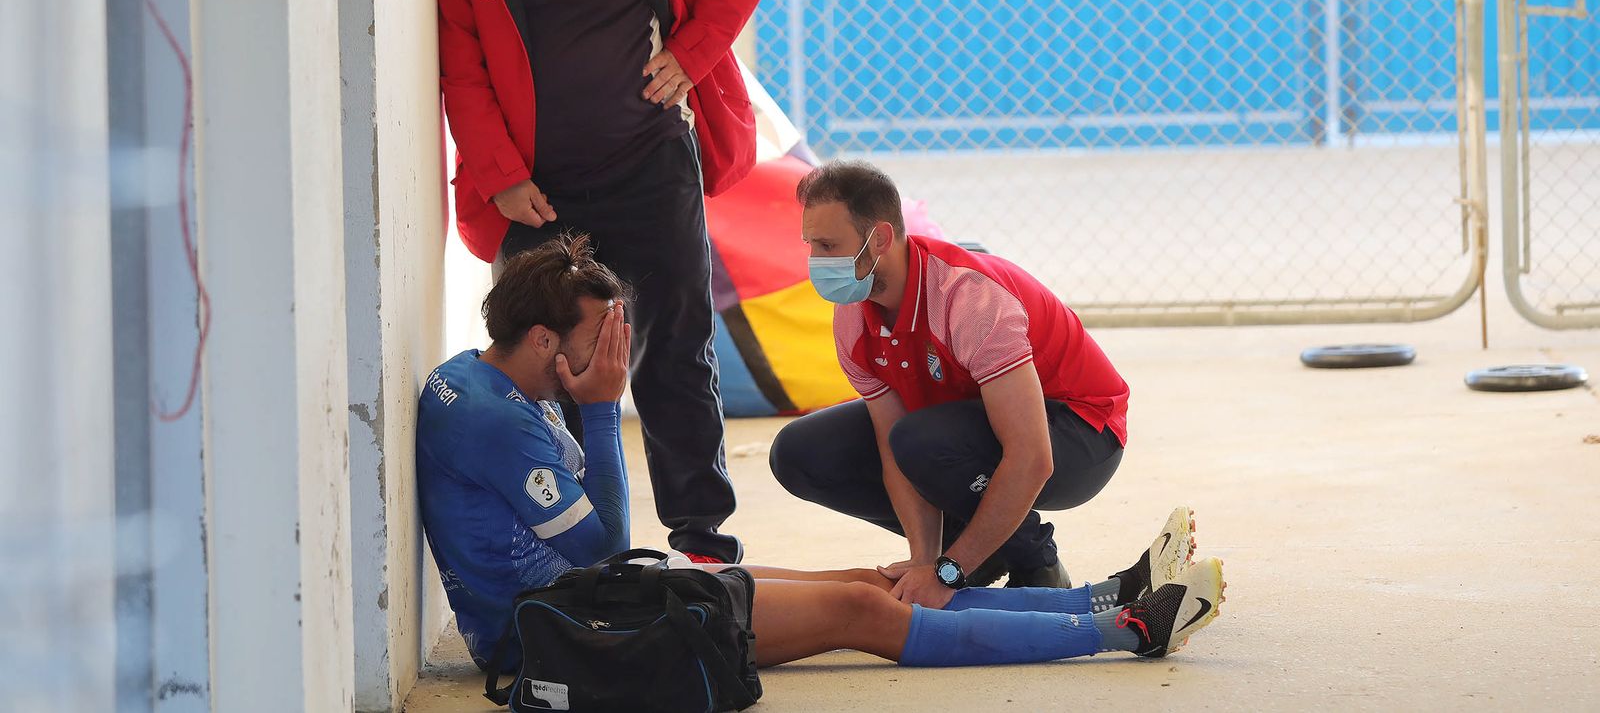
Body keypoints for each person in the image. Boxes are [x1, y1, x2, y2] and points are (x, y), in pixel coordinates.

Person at [416, 235, 1226, 675]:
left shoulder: (477, 376)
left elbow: (600, 552)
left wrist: (590, 398)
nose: (613, 357)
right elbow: (600, 546)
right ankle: (1121, 631)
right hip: (563, 633)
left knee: (875, 581)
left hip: (603, 598)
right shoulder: (499, 423)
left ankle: (1101, 594)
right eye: (601, 340)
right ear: (541, 338)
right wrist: (599, 410)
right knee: (865, 614)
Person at [433, 0, 774, 563]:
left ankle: (701, 535)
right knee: (534, 352)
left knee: (675, 342)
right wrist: (503, 177)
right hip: (539, 188)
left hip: (649, 162)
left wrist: (693, 53)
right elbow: (462, 69)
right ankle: (558, 534)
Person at [768, 160, 1133, 606]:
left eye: (829, 246)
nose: (816, 263)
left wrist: (948, 573)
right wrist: (925, 559)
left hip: (1081, 433)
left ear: (880, 238)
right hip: (968, 428)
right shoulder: (852, 317)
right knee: (800, 452)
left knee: (920, 440)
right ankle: (975, 547)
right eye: (811, 246)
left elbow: (1032, 455)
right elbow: (890, 449)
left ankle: (1036, 563)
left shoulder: (968, 301)